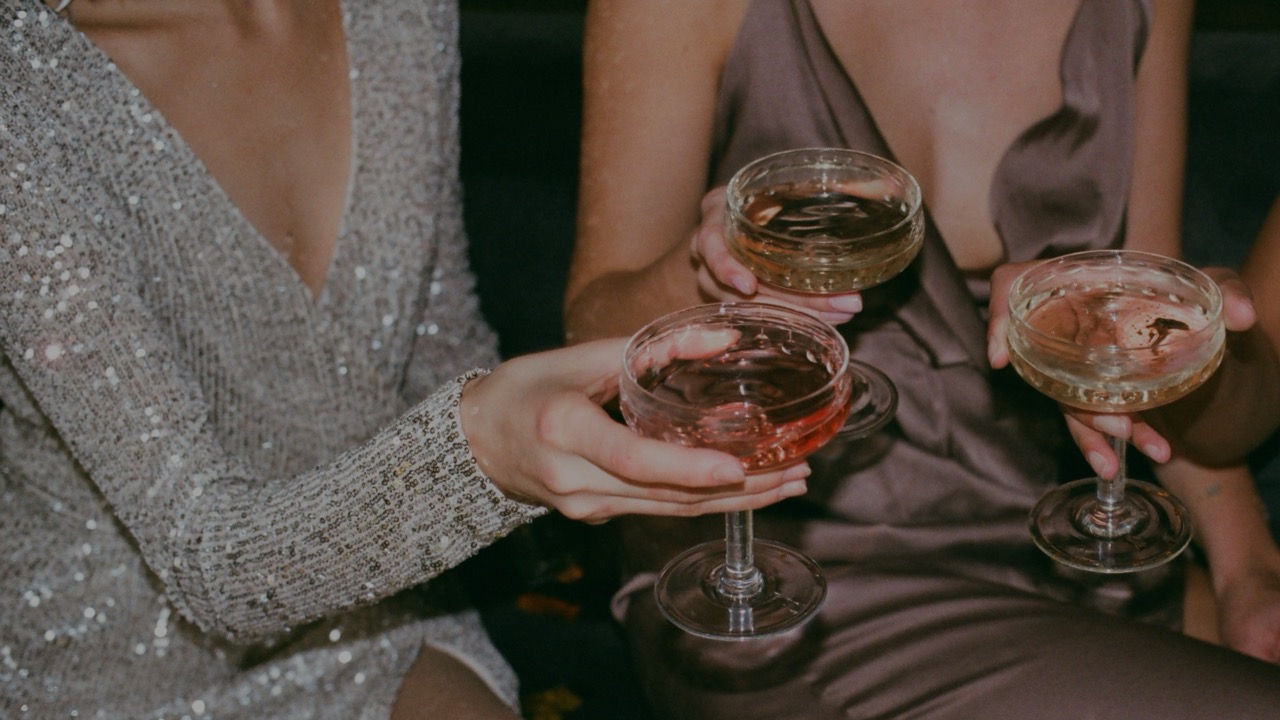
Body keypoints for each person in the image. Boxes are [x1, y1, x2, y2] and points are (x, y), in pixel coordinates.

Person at [0, 1, 812, 718]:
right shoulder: (22, 90)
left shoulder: (402, 11)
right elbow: (208, 561)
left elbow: (437, 338)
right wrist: (482, 454)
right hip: (102, 666)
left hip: (379, 619)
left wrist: (659, 329)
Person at [565, 1, 1280, 717]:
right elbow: (586, 336)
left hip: (1070, 542)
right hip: (773, 572)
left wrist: (1245, 560)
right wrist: (711, 277)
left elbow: (1142, 337)